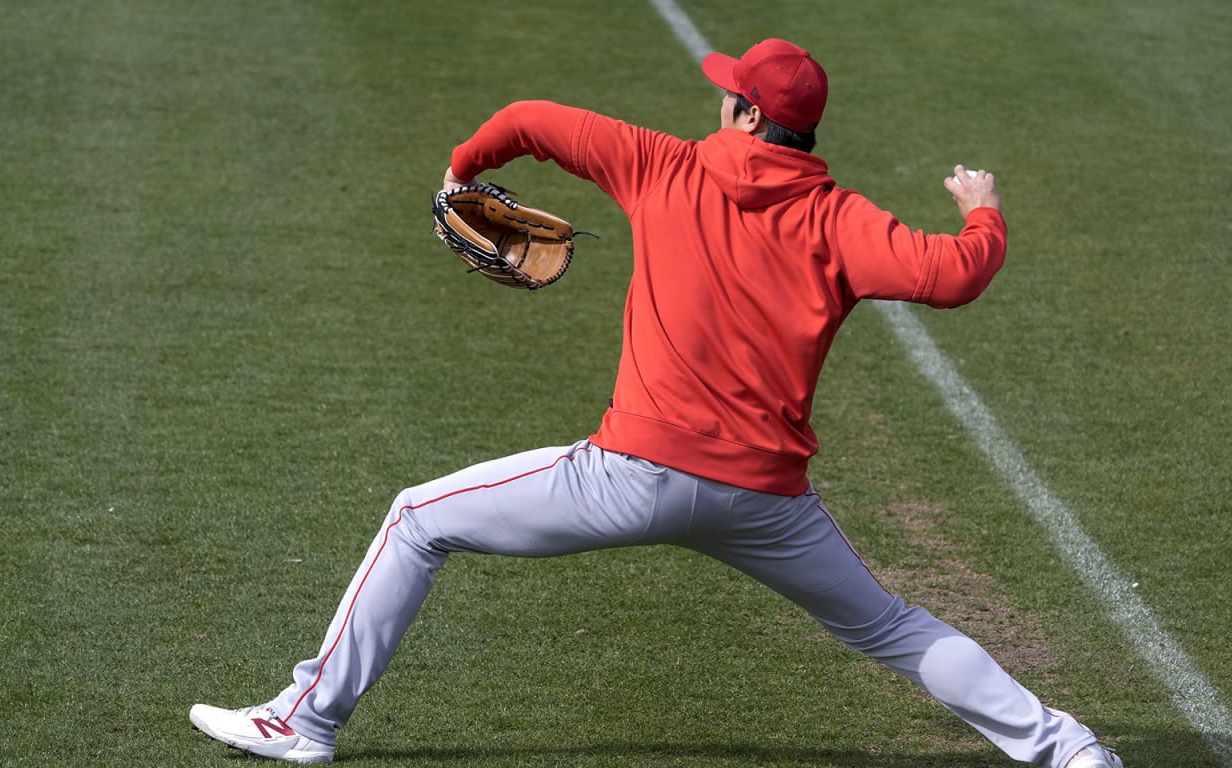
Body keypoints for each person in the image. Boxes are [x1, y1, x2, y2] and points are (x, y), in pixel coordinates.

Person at [189, 38, 1124, 768]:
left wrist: (460, 173)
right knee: (890, 627)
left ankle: (305, 721)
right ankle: (1068, 746)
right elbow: (956, 275)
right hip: (766, 502)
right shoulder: (840, 219)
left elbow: (524, 117)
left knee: (416, 520)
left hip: (628, 476)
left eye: (730, 91)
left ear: (746, 113)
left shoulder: (660, 165)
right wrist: (983, 208)